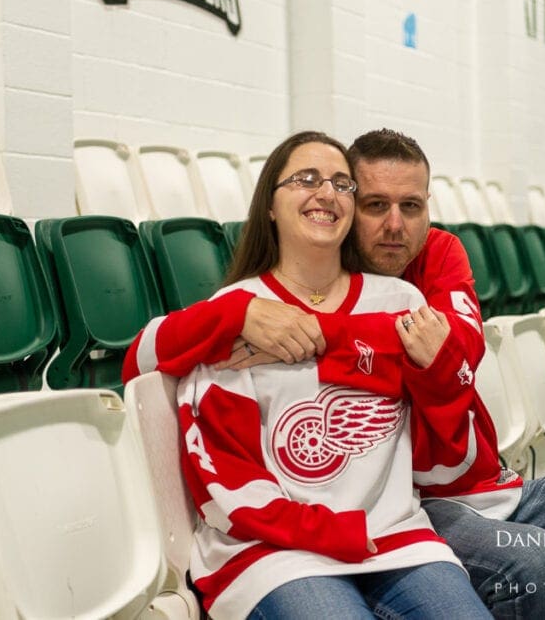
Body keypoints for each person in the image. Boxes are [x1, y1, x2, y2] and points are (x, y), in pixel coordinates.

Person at [124, 128, 545, 620]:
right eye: (373, 204)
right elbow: (141, 364)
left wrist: (317, 336)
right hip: (398, 511)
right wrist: (232, 316)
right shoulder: (244, 311)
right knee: (533, 560)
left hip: (472, 489)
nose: (394, 225)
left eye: (411, 206)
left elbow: (455, 355)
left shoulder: (428, 265)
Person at [139, 130, 491, 620]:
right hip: (271, 554)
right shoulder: (234, 314)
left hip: (397, 541)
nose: (326, 192)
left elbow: (444, 456)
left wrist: (431, 378)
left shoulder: (402, 304)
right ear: (269, 204)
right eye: (306, 179)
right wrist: (336, 532)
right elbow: (228, 478)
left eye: (342, 184)